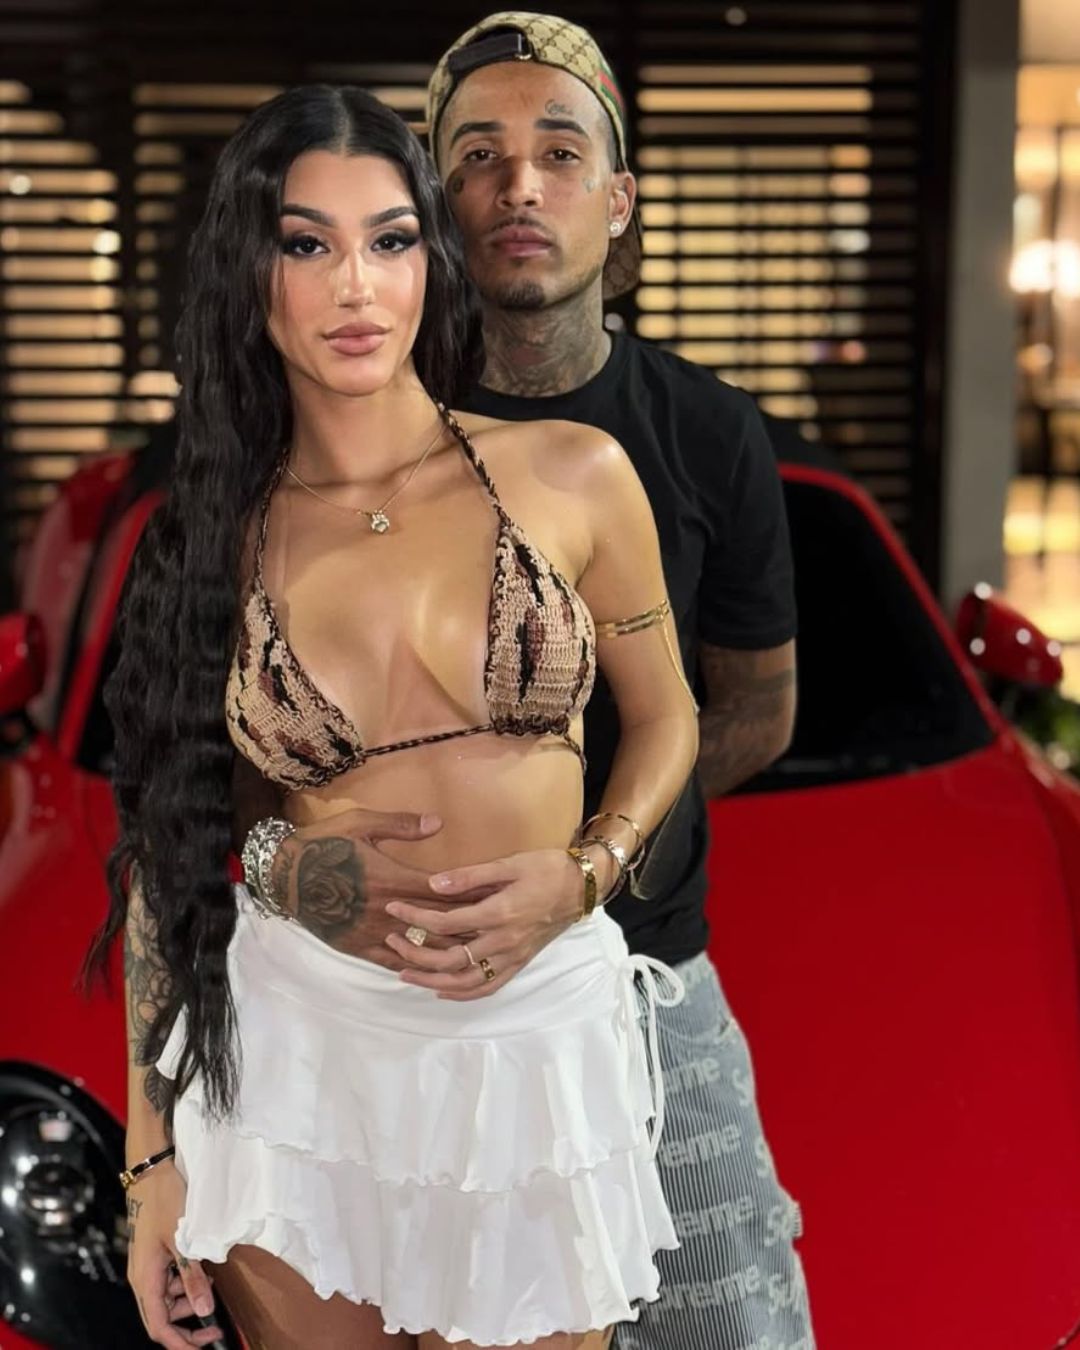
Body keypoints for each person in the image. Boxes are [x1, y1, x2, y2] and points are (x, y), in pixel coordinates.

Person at [95, 84, 700, 1350]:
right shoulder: (212, 539)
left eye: (389, 239)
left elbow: (666, 723)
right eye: (306, 244)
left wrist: (585, 875)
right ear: (249, 274)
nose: (356, 286)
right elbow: (177, 846)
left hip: (533, 1049)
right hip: (298, 1057)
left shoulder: (572, 474)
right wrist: (153, 1164)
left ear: (434, 258)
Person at [243, 14, 814, 1349]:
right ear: (433, 208)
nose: (519, 187)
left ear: (619, 201)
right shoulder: (343, 422)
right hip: (369, 992)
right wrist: (322, 861)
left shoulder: (708, 432)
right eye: (477, 156)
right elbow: (223, 758)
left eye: (560, 154)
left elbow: (752, 706)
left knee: (730, 1322)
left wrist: (577, 849)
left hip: (643, 961)